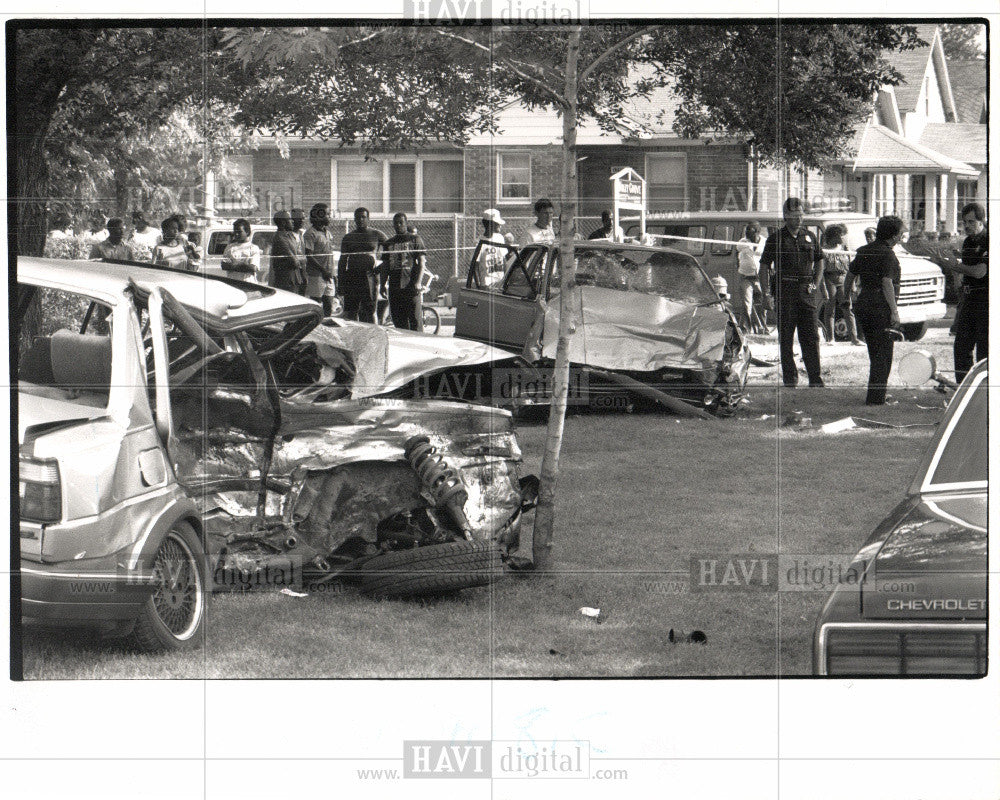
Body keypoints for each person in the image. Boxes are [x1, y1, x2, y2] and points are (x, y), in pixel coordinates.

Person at [759, 197, 825, 387]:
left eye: (801, 215)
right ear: (786, 216)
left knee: (811, 336)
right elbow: (764, 266)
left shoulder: (810, 237)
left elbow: (820, 259)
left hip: (806, 292)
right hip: (785, 291)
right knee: (786, 338)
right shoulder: (776, 239)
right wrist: (766, 294)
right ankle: (790, 379)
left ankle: (815, 379)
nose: (799, 219)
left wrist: (816, 283)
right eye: (795, 216)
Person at [845, 215, 904, 405]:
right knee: (884, 354)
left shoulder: (864, 251)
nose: (902, 236)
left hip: (863, 304)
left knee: (874, 351)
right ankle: (876, 398)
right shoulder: (888, 255)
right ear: (893, 235)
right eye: (900, 233)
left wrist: (847, 296)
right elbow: (887, 282)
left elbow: (850, 275)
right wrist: (894, 312)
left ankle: (877, 394)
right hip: (880, 306)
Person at [945, 203, 988, 382]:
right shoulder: (968, 241)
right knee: (961, 346)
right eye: (965, 222)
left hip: (986, 300)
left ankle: (984, 390)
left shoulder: (989, 239)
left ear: (982, 220)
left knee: (985, 350)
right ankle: (962, 388)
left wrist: (956, 265)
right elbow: (966, 268)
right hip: (969, 298)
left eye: (971, 221)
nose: (967, 226)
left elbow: (980, 271)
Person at [338, 207, 388, 323]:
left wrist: (380, 268)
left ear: (368, 218)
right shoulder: (348, 237)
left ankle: (373, 337)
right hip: (352, 277)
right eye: (357, 217)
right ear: (354, 219)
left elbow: (391, 252)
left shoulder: (376, 235)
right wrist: (341, 283)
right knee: (351, 312)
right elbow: (342, 261)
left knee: (370, 311)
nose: (360, 220)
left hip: (369, 277)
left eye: (363, 217)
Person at [382, 212, 428, 331]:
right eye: (395, 223)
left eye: (401, 223)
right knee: (399, 323)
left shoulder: (415, 239)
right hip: (395, 288)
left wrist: (418, 282)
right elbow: (385, 266)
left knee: (416, 322)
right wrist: (382, 284)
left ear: (406, 223)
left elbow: (422, 262)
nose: (398, 225)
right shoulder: (389, 243)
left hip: (410, 287)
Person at [820, 224, 862, 346]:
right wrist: (824, 290)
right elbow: (821, 272)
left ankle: (854, 338)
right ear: (834, 236)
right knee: (830, 309)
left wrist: (853, 284)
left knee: (847, 308)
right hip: (830, 279)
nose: (843, 237)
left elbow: (851, 268)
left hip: (844, 279)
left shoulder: (845, 248)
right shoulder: (825, 250)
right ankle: (830, 338)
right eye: (841, 235)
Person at [303, 204, 337, 315]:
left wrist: (332, 272)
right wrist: (323, 270)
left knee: (329, 305)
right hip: (316, 275)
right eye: (327, 214)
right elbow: (309, 255)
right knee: (315, 305)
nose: (330, 217)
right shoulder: (310, 234)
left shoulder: (328, 233)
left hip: (328, 275)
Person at [736, 221, 765, 333]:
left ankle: (763, 329)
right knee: (746, 304)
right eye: (747, 232)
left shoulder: (764, 242)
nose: (748, 235)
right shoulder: (742, 242)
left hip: (759, 277)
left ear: (758, 232)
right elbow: (737, 250)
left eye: (751, 233)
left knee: (762, 304)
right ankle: (745, 329)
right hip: (746, 277)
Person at [269, 209, 307, 294]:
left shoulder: (289, 236)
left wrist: (300, 259)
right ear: (283, 222)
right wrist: (300, 259)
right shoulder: (280, 238)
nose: (292, 221)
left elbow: (301, 257)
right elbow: (294, 262)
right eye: (290, 219)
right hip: (286, 281)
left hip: (295, 279)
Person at [220, 218, 263, 282]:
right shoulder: (230, 247)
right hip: (232, 283)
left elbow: (253, 267)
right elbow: (224, 265)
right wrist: (243, 265)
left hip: (248, 283)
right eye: (235, 231)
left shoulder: (253, 248)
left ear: (247, 232)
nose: (236, 234)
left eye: (239, 232)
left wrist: (233, 264)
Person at [477, 208, 509, 285]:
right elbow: (476, 265)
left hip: (500, 281)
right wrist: (479, 285)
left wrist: (506, 279)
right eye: (497, 223)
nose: (500, 226)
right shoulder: (479, 242)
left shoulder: (500, 238)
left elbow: (504, 260)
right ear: (490, 224)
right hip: (487, 283)